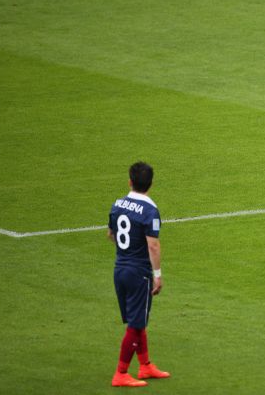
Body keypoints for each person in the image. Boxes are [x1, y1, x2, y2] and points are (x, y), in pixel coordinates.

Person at [107, 161, 170, 387]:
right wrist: (158, 274)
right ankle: (121, 373)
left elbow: (111, 234)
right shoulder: (150, 210)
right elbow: (153, 245)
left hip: (120, 269)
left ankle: (145, 366)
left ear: (130, 182)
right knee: (135, 325)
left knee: (138, 321)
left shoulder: (118, 204)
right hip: (138, 273)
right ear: (150, 184)